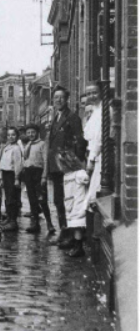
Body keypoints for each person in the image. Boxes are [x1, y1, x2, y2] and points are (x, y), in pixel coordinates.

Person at [46, 86, 86, 246]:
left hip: (68, 167)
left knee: (68, 200)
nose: (58, 100)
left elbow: (80, 142)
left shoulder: (72, 117)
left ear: (67, 99)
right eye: (56, 97)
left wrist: (76, 163)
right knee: (58, 200)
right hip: (56, 167)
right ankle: (63, 230)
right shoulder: (55, 117)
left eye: (61, 97)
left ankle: (70, 234)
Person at [23, 123, 56, 235]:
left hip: (38, 172)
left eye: (33, 132)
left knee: (42, 199)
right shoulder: (28, 144)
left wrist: (44, 176)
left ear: (37, 132)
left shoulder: (42, 144)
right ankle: (35, 224)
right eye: (28, 133)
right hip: (28, 172)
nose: (31, 134)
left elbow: (46, 160)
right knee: (32, 199)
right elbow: (25, 158)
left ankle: (49, 224)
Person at [55, 150, 89, 257]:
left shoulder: (79, 174)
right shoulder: (67, 175)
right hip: (70, 203)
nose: (61, 168)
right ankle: (75, 244)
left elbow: (87, 180)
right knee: (74, 226)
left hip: (78, 203)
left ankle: (79, 247)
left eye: (62, 165)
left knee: (77, 225)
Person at [0, 127, 23, 232]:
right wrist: (1, 178)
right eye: (9, 135)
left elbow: (18, 164)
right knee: (7, 197)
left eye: (13, 135)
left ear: (17, 136)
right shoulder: (7, 147)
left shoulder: (16, 148)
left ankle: (13, 222)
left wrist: (17, 178)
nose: (11, 137)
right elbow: (3, 163)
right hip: (5, 174)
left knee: (12, 197)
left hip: (12, 175)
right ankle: (8, 218)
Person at [83, 82, 102, 210]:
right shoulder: (94, 111)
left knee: (95, 190)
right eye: (89, 93)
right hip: (90, 152)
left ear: (101, 92)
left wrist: (91, 159)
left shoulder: (102, 111)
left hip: (98, 155)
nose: (91, 96)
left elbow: (98, 138)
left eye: (94, 92)